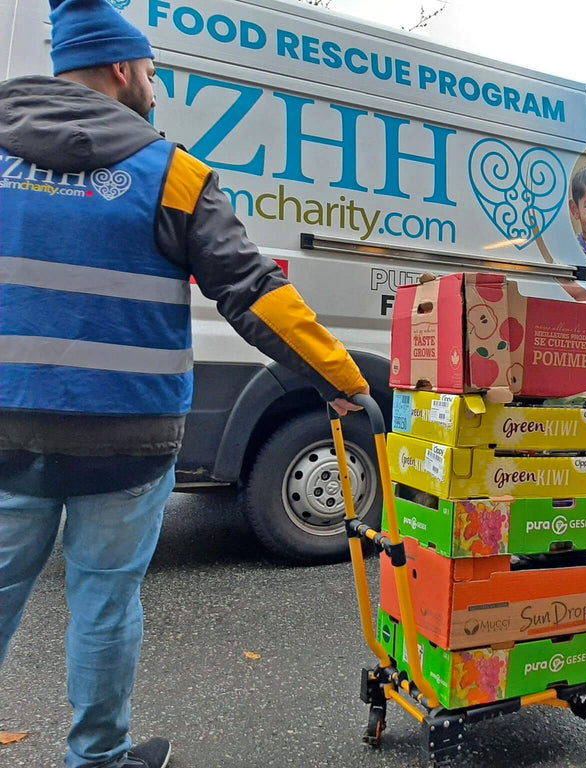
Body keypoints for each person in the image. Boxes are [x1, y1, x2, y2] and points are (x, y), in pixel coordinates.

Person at [0, 2, 370, 766]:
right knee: (103, 607)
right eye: (153, 73)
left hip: (5, 431)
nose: (156, 90)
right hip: (124, 442)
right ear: (121, 69)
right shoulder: (173, 174)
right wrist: (338, 378)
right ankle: (99, 757)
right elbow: (253, 291)